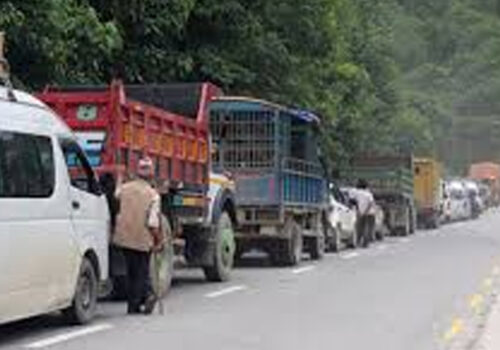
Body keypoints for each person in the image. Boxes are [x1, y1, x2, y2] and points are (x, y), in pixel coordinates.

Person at [113, 157, 164, 315]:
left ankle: (133, 306)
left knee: (131, 271)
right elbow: (153, 222)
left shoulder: (125, 188)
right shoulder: (153, 195)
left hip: (125, 237)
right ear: (151, 175)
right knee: (142, 272)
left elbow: (116, 195)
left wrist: (119, 179)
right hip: (143, 238)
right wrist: (158, 240)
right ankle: (146, 296)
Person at [352, 179, 376, 248]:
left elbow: (355, 202)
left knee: (360, 228)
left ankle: (360, 241)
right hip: (370, 213)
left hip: (361, 212)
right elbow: (371, 203)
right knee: (368, 228)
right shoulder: (368, 194)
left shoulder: (357, 193)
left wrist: (359, 210)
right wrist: (366, 211)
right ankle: (365, 242)